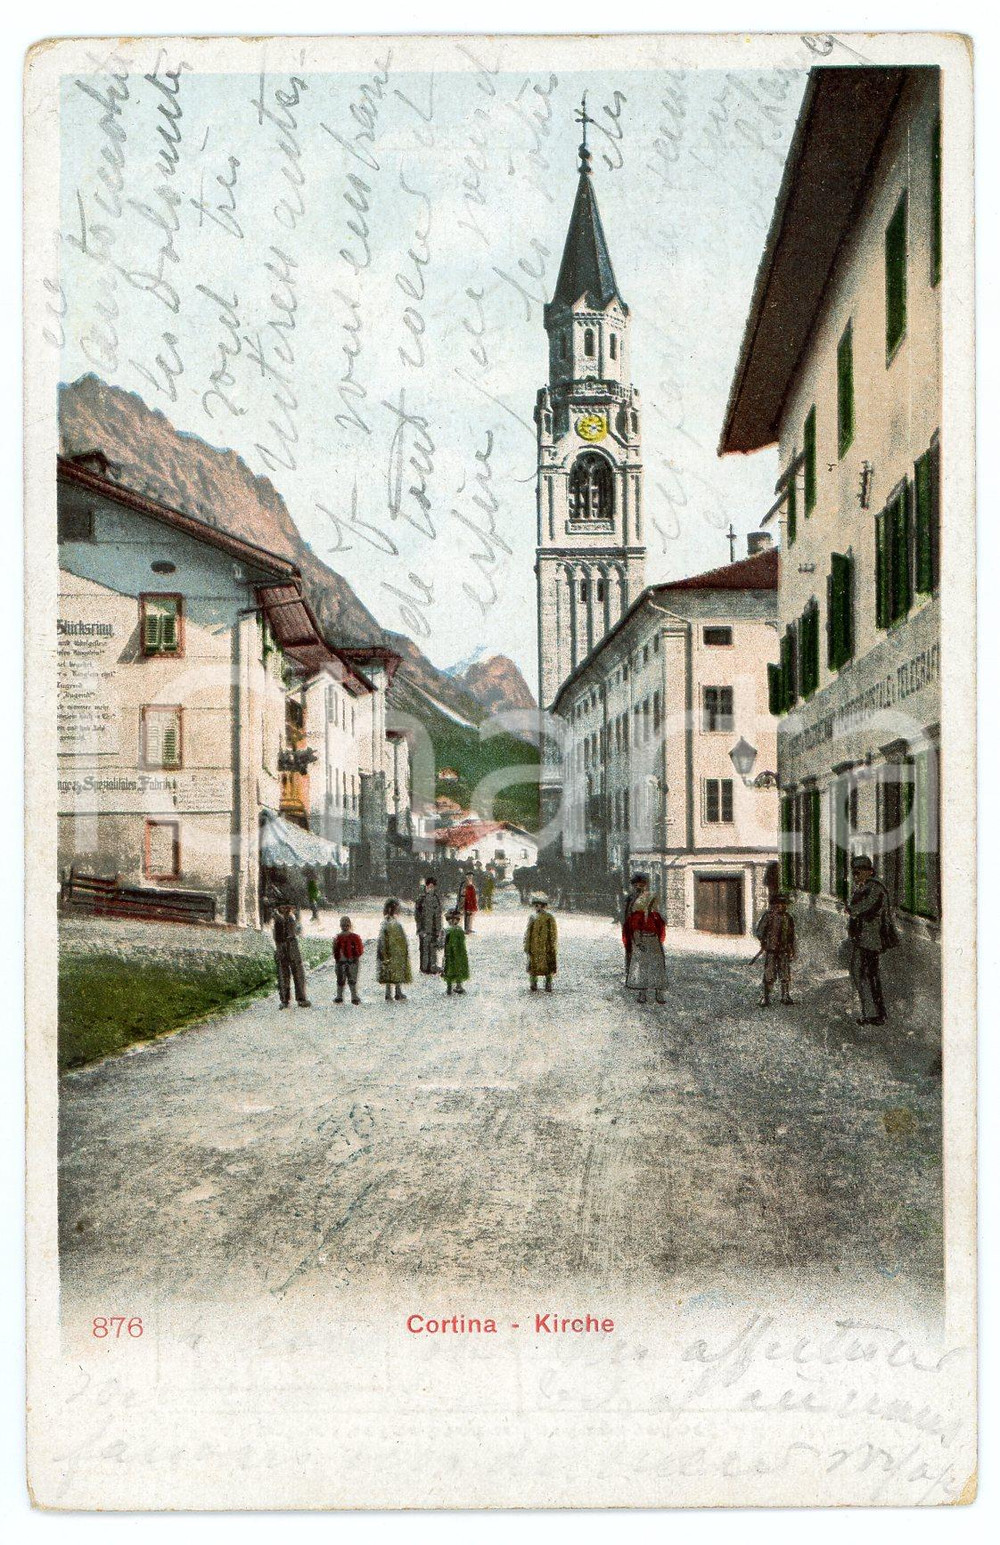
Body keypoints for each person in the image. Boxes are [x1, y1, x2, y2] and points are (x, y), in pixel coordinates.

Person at [846, 855, 896, 1026]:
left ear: (869, 871)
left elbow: (864, 908)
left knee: (865, 974)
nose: (856, 876)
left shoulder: (874, 888)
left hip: (871, 939)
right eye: (854, 873)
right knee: (864, 973)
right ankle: (873, 1012)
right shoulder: (865, 887)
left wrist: (851, 908)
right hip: (864, 939)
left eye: (858, 872)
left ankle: (873, 1014)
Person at [623, 873, 668, 1005]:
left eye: (641, 884)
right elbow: (629, 919)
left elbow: (661, 921)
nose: (639, 887)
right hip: (638, 935)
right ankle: (642, 992)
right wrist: (635, 939)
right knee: (641, 964)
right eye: (636, 885)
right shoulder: (632, 901)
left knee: (657, 964)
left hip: (652, 937)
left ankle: (658, 992)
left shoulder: (654, 904)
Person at [754, 892, 796, 1006]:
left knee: (785, 974)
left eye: (783, 904)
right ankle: (766, 997)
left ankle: (785, 995)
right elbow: (759, 932)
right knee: (769, 974)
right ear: (774, 905)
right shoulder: (768, 916)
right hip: (771, 950)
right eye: (779, 904)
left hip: (783, 951)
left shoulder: (788, 918)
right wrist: (765, 941)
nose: (781, 906)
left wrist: (791, 949)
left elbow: (791, 936)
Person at [273, 902, 311, 1010]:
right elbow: (275, 936)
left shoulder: (291, 917)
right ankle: (285, 1000)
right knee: (283, 972)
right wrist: (277, 949)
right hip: (281, 945)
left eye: (287, 907)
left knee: (298, 971)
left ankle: (301, 998)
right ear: (279, 907)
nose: (285, 909)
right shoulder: (277, 919)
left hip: (292, 944)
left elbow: (297, 931)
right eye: (283, 907)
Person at [377, 898, 412, 1003]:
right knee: (390, 971)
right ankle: (390, 992)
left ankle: (397, 991)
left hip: (396, 952)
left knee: (394, 971)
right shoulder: (388, 923)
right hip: (392, 952)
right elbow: (384, 939)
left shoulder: (391, 922)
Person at [524, 892, 558, 992]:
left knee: (548, 966)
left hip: (546, 946)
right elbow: (528, 932)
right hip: (534, 946)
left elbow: (553, 932)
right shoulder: (532, 917)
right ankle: (533, 983)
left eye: (538, 905)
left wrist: (552, 944)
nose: (536, 907)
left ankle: (548, 983)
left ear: (543, 906)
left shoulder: (549, 917)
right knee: (533, 966)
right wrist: (527, 945)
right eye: (535, 905)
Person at [414, 874, 443, 975]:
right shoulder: (421, 899)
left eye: (432, 887)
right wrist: (419, 930)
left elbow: (438, 915)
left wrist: (439, 929)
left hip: (434, 928)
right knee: (424, 948)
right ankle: (424, 967)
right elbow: (417, 916)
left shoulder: (436, 899)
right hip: (424, 928)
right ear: (426, 887)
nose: (430, 889)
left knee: (433, 947)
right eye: (429, 887)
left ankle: (432, 966)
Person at [332, 915, 364, 1005]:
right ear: (340, 926)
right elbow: (334, 950)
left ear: (349, 925)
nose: (345, 927)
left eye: (346, 925)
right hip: (341, 962)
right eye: (343, 925)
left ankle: (354, 996)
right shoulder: (337, 938)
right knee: (340, 980)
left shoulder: (355, 937)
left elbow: (360, 949)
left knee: (352, 979)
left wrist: (356, 957)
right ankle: (339, 996)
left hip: (352, 961)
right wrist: (337, 958)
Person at [442, 907, 470, 996]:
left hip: (453, 953)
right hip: (455, 953)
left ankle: (453, 986)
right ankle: (454, 986)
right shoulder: (456, 930)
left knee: (451, 969)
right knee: (454, 968)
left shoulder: (449, 930)